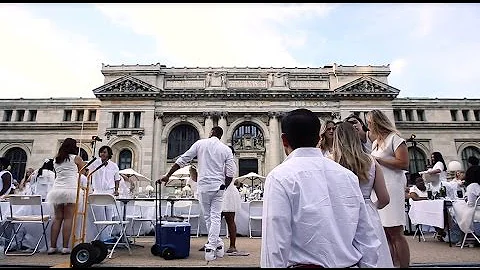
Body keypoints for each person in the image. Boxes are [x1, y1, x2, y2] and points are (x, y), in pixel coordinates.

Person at [261, 108, 381, 268]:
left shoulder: (279, 177)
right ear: (318, 138)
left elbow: (275, 244)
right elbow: (367, 239)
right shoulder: (348, 176)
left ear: (284, 140)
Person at [158, 126, 236, 262]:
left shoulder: (200, 144)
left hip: (204, 186)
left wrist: (168, 175)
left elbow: (183, 159)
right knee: (216, 216)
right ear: (221, 136)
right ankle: (215, 244)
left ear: (211, 132)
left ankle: (213, 245)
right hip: (218, 186)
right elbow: (230, 172)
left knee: (208, 217)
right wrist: (225, 186)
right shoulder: (226, 150)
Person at [331, 121, 393, 267]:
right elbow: (384, 199)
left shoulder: (329, 161)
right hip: (368, 212)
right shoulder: (371, 161)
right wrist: (370, 205)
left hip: (339, 215)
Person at [366, 109, 410, 268]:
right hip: (380, 188)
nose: (368, 125)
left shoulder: (396, 139)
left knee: (396, 232)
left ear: (377, 122)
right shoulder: (376, 142)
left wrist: (378, 159)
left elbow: (404, 164)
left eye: (370, 122)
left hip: (393, 187)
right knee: (385, 233)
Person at [46, 138, 86, 255]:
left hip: (57, 189)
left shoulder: (56, 159)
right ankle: (65, 247)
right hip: (70, 189)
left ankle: (52, 247)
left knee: (57, 218)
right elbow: (83, 171)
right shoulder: (76, 158)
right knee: (68, 218)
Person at [87, 145, 121, 242]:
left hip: (109, 192)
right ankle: (99, 237)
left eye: (105, 152)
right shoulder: (95, 163)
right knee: (99, 216)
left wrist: (117, 190)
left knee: (109, 215)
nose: (102, 154)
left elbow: (117, 179)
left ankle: (107, 236)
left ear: (109, 154)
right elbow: (87, 169)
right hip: (97, 191)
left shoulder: (114, 165)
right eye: (101, 152)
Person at [451, 165, 480, 247]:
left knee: (454, 211)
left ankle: (462, 238)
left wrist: (466, 199)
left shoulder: (472, 186)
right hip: (477, 210)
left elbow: (471, 204)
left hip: (476, 213)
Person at [221, 146, 241, 254]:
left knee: (230, 219)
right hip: (221, 191)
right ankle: (211, 242)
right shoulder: (223, 162)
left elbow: (228, 176)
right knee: (215, 219)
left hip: (228, 192)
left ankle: (232, 245)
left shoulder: (231, 163)